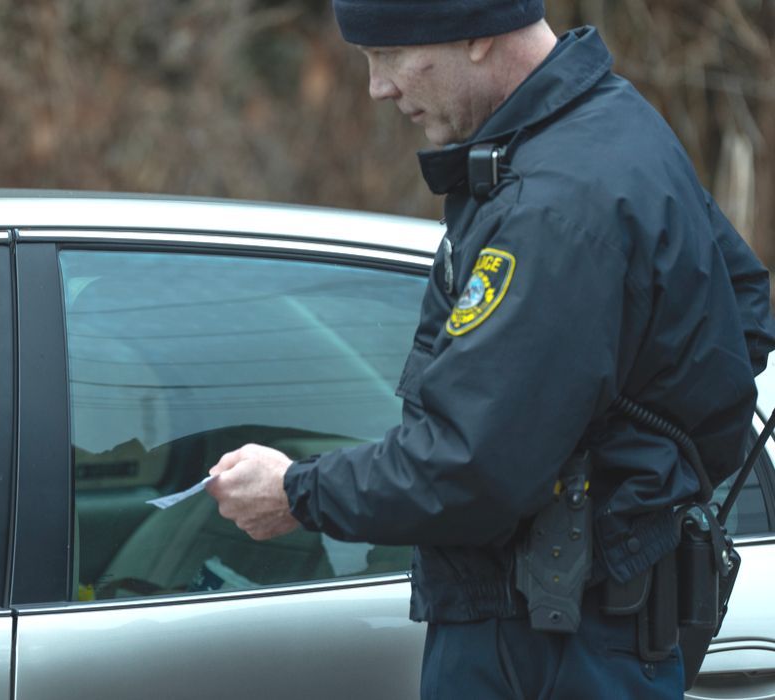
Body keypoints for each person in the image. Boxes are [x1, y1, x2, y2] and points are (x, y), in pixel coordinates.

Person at [205, 2, 775, 698]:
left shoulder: (554, 204)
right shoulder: (611, 126)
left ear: (477, 35)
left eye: (389, 55)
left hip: (543, 641)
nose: (377, 88)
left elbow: (468, 466)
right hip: (591, 621)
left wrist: (297, 492)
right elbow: (741, 311)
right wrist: (621, 470)